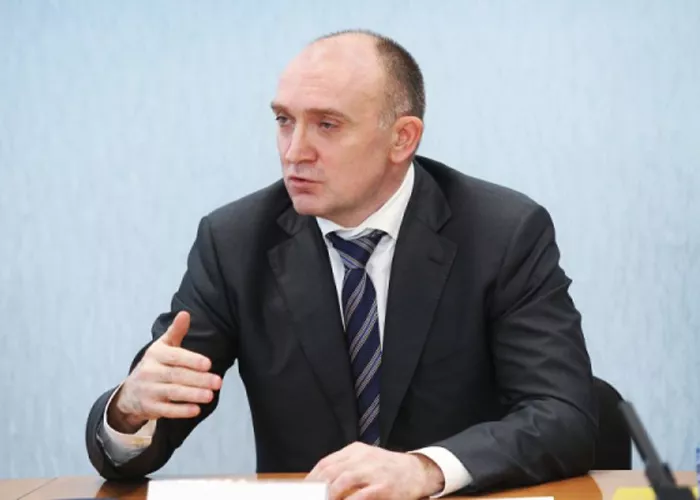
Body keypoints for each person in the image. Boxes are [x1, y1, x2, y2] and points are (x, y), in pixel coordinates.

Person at [85, 29, 597, 499]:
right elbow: (141, 438)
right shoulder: (235, 242)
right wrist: (128, 410)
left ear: (402, 138)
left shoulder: (502, 233)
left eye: (326, 125)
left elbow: (564, 415)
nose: (294, 151)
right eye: (284, 121)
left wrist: (425, 468)